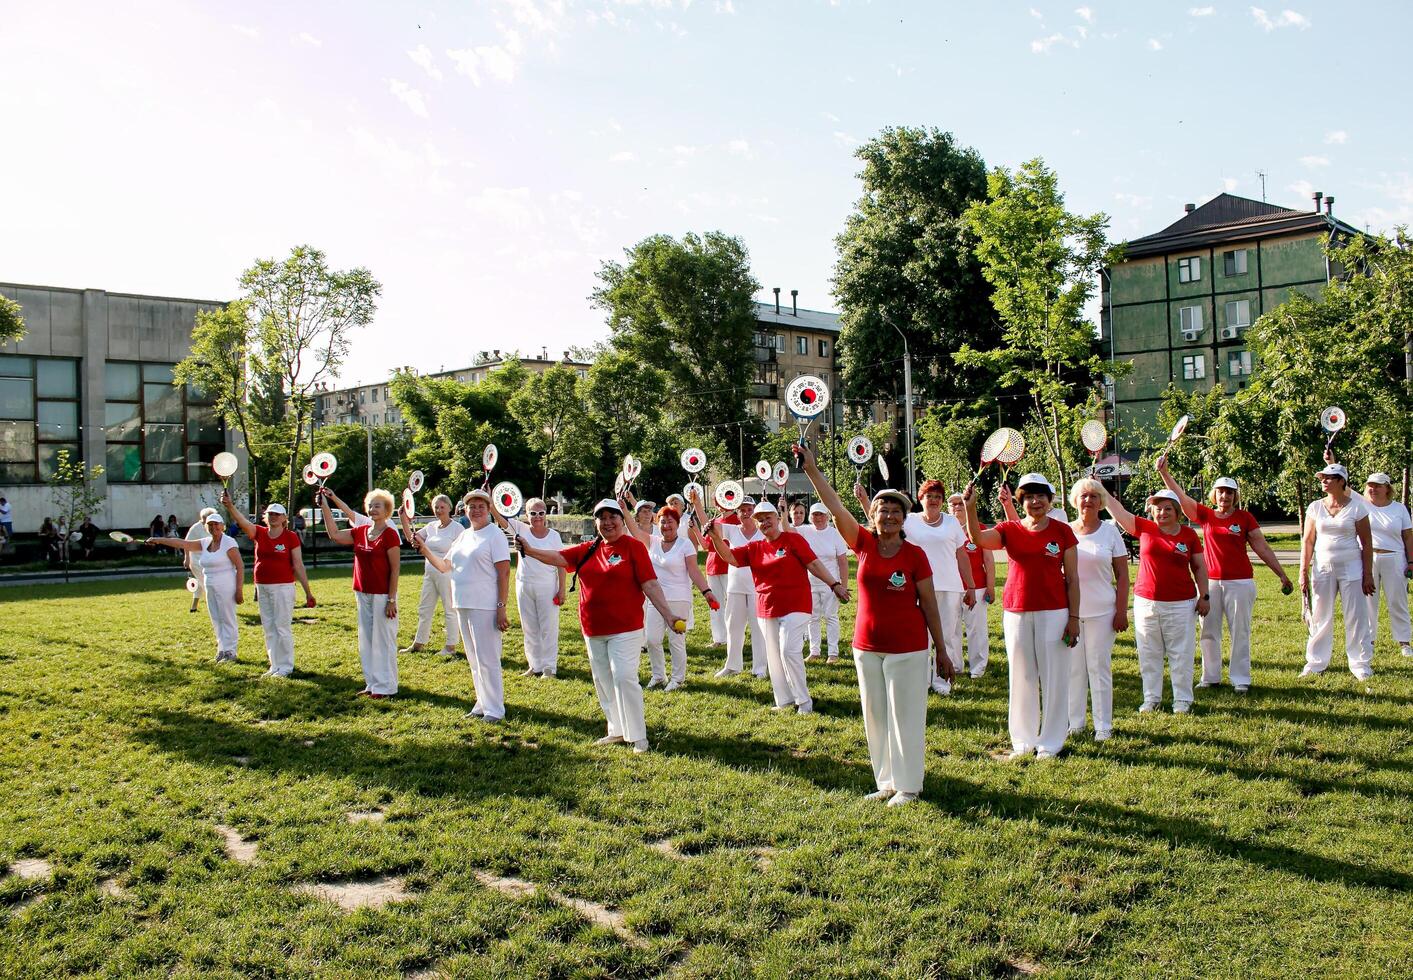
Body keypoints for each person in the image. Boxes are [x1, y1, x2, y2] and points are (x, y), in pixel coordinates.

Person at [798, 443, 948, 805]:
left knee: (906, 718)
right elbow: (835, 506)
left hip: (909, 649)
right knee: (876, 718)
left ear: (905, 517)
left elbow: (928, 603)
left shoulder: (915, 555)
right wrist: (812, 470)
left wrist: (941, 650)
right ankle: (886, 781)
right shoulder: (863, 543)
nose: (890, 515)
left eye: (897, 511)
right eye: (883, 509)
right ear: (874, 514)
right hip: (866, 648)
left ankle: (909, 785)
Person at [516, 498, 684, 752]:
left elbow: (649, 584)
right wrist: (529, 550)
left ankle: (638, 735)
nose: (608, 522)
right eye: (601, 518)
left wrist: (668, 615)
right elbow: (558, 557)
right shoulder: (588, 549)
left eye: (613, 517)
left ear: (621, 520)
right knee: (603, 680)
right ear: (596, 523)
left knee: (625, 677)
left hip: (626, 628)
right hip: (593, 628)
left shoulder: (634, 547)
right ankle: (616, 729)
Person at [962, 473, 1080, 759]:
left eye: (1040, 496)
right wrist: (970, 507)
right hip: (1016, 610)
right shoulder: (1009, 529)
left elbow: (1073, 579)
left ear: (1050, 500)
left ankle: (1051, 742)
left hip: (1054, 611)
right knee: (1022, 676)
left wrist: (1074, 618)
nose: (1035, 501)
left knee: (1053, 677)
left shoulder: (1062, 532)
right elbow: (977, 539)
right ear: (1021, 501)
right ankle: (1023, 741)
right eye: (1028, 497)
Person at [1156, 460, 1291, 692]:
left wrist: (1281, 574)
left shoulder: (1245, 518)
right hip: (1211, 584)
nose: (1225, 496)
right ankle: (1210, 677)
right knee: (1208, 630)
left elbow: (1262, 547)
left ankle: (1241, 679)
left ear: (1235, 496)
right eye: (1221, 492)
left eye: (1229, 492)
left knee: (1240, 630)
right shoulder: (1206, 515)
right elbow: (1181, 498)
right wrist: (1164, 473)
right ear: (1214, 495)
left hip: (1240, 583)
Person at [706, 500, 846, 714]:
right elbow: (730, 558)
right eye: (760, 520)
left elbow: (814, 564)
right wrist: (715, 537)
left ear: (778, 518)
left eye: (768, 518)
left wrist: (834, 584)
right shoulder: (755, 547)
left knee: (788, 650)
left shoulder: (793, 539)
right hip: (766, 606)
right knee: (773, 655)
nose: (764, 523)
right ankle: (784, 701)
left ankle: (804, 702)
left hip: (796, 603)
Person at [405, 489, 510, 721]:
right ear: (466, 510)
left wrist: (501, 606)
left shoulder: (495, 535)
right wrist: (424, 549)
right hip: (462, 603)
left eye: (481, 506)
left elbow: (503, 574)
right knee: (474, 658)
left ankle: (495, 709)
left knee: (488, 658)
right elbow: (444, 566)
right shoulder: (464, 536)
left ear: (489, 509)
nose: (476, 510)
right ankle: (482, 703)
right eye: (472, 506)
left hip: (485, 605)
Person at [1102, 487, 1209, 713]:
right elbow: (1119, 512)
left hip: (1181, 603)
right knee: (1149, 652)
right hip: (1146, 602)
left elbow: (1199, 567)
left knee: (1181, 653)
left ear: (1177, 511)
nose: (1162, 513)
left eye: (1167, 508)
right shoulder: (1145, 528)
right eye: (1157, 509)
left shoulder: (1188, 535)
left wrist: (1204, 596)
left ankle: (1182, 700)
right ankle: (1151, 698)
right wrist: (1101, 489)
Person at [221, 493, 316, 677]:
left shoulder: (290, 537)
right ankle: (274, 665)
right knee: (269, 627)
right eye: (270, 514)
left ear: (284, 519)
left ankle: (286, 666)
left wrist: (308, 592)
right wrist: (230, 506)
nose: (273, 517)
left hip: (283, 587)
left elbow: (298, 565)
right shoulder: (260, 533)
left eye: (277, 514)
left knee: (282, 626)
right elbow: (242, 522)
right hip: (262, 586)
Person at [320, 487, 401, 698]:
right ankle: (371, 683)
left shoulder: (390, 534)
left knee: (383, 639)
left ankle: (386, 686)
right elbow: (335, 535)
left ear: (387, 510)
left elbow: (395, 569)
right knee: (366, 639)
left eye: (378, 506)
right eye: (371, 506)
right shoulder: (361, 531)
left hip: (383, 594)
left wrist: (392, 599)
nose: (373, 509)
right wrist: (325, 506)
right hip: (362, 592)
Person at [623, 501, 713, 690]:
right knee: (652, 639)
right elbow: (633, 529)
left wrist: (707, 592)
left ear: (677, 523)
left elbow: (694, 571)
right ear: (658, 524)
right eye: (663, 522)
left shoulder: (685, 545)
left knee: (676, 640)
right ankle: (658, 676)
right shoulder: (653, 541)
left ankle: (678, 679)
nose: (666, 525)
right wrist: (624, 509)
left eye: (670, 522)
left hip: (679, 598)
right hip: (656, 599)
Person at [1067, 479, 1129, 741]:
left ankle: (1103, 726)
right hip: (1070, 614)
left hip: (1103, 613)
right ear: (1076, 500)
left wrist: (1121, 610)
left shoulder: (1110, 532)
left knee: (1098, 668)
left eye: (1093, 496)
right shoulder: (1066, 530)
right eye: (1083, 496)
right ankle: (1075, 724)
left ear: (1101, 502)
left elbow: (1123, 575)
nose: (1088, 501)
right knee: (1074, 670)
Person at [1300, 464, 1375, 679]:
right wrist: (1303, 571)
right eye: (1322, 477)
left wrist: (1367, 574)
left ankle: (1360, 664)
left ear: (1341, 481)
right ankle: (1315, 662)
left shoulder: (1358, 507)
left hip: (1352, 568)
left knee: (1356, 616)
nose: (1323, 481)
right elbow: (1308, 541)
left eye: (1329, 478)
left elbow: (1367, 543)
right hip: (1322, 568)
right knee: (1320, 615)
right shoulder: (1315, 507)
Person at [145, 512, 245, 661]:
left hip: (226, 584)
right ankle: (222, 649)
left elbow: (240, 566)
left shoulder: (229, 543)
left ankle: (231, 651)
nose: (213, 527)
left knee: (227, 618)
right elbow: (183, 544)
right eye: (210, 525)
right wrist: (159, 540)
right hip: (210, 585)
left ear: (223, 526)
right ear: (206, 527)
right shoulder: (205, 542)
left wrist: (239, 590)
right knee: (216, 618)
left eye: (216, 524)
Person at [491, 495, 567, 678]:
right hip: (524, 584)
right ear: (526, 514)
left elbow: (561, 564)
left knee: (548, 627)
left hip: (547, 585)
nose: (537, 516)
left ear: (546, 514)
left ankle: (550, 667)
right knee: (529, 627)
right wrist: (491, 500)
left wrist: (562, 589)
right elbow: (500, 520)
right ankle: (535, 665)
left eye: (541, 513)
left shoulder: (554, 536)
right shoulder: (520, 528)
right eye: (533, 513)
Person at [696, 494, 766, 679]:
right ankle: (733, 665)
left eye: (749, 510)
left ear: (755, 512)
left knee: (758, 628)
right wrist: (705, 517)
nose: (746, 513)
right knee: (733, 626)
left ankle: (760, 668)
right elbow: (712, 527)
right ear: (737, 511)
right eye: (742, 510)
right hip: (735, 586)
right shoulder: (732, 529)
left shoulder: (763, 532)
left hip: (757, 588)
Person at [404, 494, 465, 658]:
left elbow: (461, 553)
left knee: (449, 609)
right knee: (424, 609)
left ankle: (451, 646)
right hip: (429, 573)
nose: (439, 510)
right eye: (436, 507)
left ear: (449, 508)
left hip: (447, 574)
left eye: (442, 507)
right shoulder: (431, 526)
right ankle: (419, 643)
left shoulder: (457, 528)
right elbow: (414, 539)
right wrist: (404, 518)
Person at [1362, 473, 1413, 660]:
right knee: (1368, 601)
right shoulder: (1362, 505)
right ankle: (1369, 641)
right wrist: (1330, 462)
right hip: (1369, 558)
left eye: (1378, 485)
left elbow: (1408, 536)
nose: (1373, 489)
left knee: (1397, 601)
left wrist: (1411, 562)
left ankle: (1404, 642)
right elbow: (1343, 487)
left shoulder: (1399, 509)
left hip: (1395, 558)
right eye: (1370, 485)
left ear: (1387, 488)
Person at [796, 502, 850, 663]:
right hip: (810, 583)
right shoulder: (804, 531)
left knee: (830, 616)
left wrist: (843, 585)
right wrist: (782, 510)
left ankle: (833, 653)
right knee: (812, 617)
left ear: (827, 516)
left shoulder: (834, 534)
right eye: (815, 515)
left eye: (821, 514)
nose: (818, 518)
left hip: (831, 583)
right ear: (810, 517)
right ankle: (814, 651)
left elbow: (842, 561)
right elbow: (785, 529)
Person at [950, 493, 994, 677]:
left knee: (976, 628)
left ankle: (978, 668)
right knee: (951, 629)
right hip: (952, 587)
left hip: (978, 587)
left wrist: (991, 587)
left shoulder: (979, 529)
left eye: (960, 503)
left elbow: (989, 560)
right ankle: (954, 666)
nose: (957, 507)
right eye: (952, 504)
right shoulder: (945, 529)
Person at [703, 497, 738, 648]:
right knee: (715, 604)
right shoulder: (714, 521)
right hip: (712, 566)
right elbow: (706, 545)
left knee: (732, 604)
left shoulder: (738, 520)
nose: (720, 506)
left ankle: (734, 637)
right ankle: (719, 638)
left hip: (729, 566)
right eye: (717, 503)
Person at [184, 508, 216, 613]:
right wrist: (187, 559)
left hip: (209, 560)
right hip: (197, 560)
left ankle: (193, 607)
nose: (204, 521)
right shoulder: (195, 528)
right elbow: (186, 543)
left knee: (201, 583)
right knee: (207, 583)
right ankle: (214, 607)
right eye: (203, 519)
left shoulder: (214, 527)